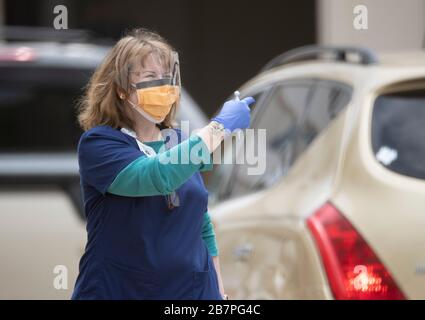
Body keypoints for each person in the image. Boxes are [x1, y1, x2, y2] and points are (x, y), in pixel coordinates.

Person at [71, 28, 255, 300]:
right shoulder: (99, 144)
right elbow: (156, 175)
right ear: (122, 89)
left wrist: (218, 290)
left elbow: (200, 221)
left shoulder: (180, 141)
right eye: (149, 77)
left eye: (166, 77)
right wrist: (219, 128)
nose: (163, 85)